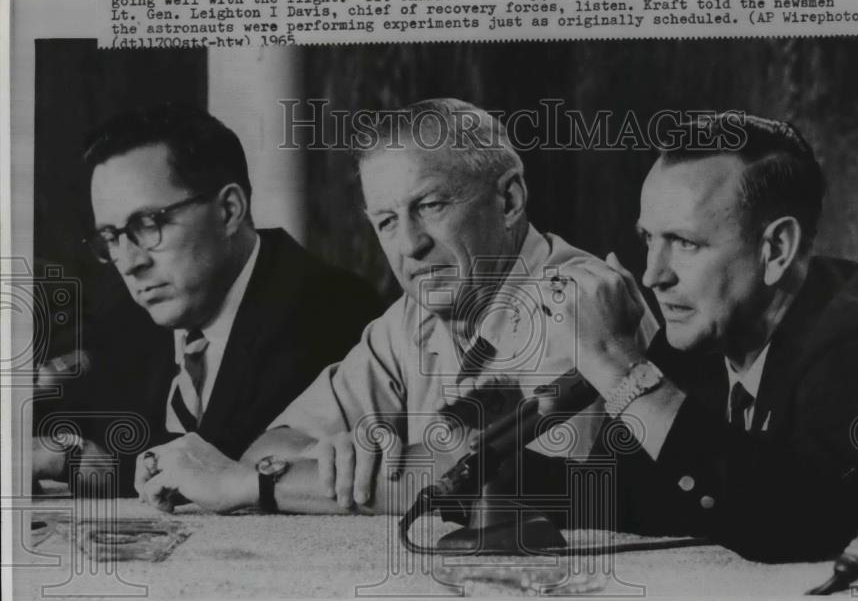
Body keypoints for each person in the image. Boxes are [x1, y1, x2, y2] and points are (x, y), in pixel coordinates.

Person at [134, 98, 658, 515]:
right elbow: (273, 446)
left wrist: (248, 486)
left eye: (430, 206)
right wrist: (339, 455)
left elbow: (511, 487)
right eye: (386, 221)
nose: (408, 245)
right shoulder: (411, 320)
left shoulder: (581, 299)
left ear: (509, 201)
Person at [541, 113, 858, 561]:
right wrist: (484, 470)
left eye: (685, 243)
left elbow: (802, 525)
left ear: (776, 249)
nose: (652, 275)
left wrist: (619, 365)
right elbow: (629, 499)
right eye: (649, 239)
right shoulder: (702, 336)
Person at [32, 103, 382, 496]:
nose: (129, 263)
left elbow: (230, 467)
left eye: (148, 225)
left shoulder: (330, 309)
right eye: (112, 239)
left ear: (229, 211)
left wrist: (77, 460)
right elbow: (72, 425)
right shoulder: (126, 317)